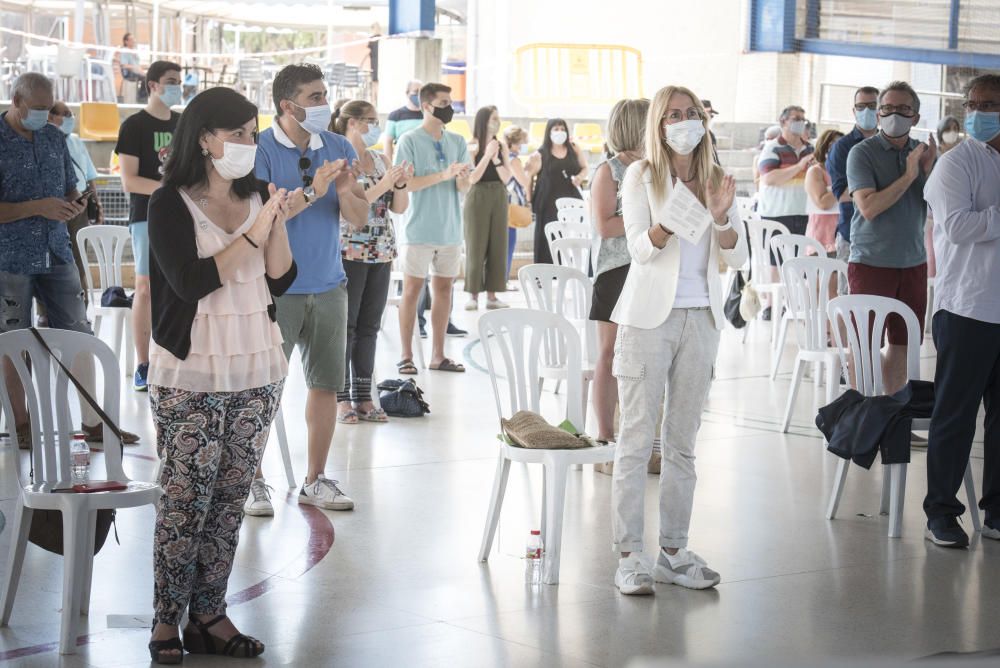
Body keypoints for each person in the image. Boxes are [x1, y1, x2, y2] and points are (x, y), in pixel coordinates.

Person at [144, 87, 296, 663]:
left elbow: (279, 277)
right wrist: (253, 234)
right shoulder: (169, 203)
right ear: (204, 138)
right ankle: (165, 618)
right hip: (191, 365)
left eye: (251, 134)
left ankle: (210, 613)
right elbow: (189, 282)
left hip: (258, 359)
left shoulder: (257, 195)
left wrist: (274, 223)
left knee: (231, 496)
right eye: (236, 133)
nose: (246, 144)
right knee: (186, 497)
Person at [611, 86, 747, 595]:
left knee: (683, 443)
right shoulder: (641, 175)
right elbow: (640, 251)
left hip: (703, 317)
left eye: (692, 114)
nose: (684, 122)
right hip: (649, 317)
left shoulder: (717, 178)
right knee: (636, 439)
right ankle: (629, 555)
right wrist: (670, 220)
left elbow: (735, 257)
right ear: (658, 123)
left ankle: (673, 550)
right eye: (674, 115)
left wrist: (718, 215)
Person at [247, 64, 369, 517]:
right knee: (262, 388)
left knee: (325, 386)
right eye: (315, 96)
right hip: (277, 288)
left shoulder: (336, 146)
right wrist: (314, 190)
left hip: (330, 284)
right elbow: (264, 219)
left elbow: (357, 217)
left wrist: (343, 186)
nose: (324, 104)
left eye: (324, 95)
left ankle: (315, 479)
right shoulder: (259, 148)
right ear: (288, 105)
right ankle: (252, 480)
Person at [0, 73, 141, 449]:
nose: (45, 116)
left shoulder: (54, 138)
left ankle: (94, 424)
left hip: (57, 251)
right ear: (16, 100)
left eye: (49, 109)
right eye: (38, 109)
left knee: (79, 333)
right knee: (14, 340)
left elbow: (68, 186)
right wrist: (37, 208)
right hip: (9, 257)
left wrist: (74, 203)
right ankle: (21, 425)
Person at [921, 74, 1000, 548]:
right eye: (972, 103)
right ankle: (941, 514)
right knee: (956, 414)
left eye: (989, 104)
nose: (978, 111)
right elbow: (956, 227)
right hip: (968, 307)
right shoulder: (956, 164)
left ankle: (995, 512)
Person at [847, 80, 936, 396]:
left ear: (915, 116)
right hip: (871, 262)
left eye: (903, 109)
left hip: (913, 262)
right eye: (886, 108)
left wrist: (930, 170)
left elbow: (936, 206)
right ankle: (864, 419)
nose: (893, 114)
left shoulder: (921, 153)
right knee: (865, 344)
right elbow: (868, 207)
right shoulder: (862, 153)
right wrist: (909, 175)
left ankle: (893, 417)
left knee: (903, 343)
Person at [329, 99, 412, 424]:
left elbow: (399, 207)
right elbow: (359, 199)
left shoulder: (380, 160)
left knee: (369, 327)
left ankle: (364, 396)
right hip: (349, 250)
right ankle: (342, 397)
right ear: (352, 123)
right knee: (346, 327)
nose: (374, 127)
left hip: (382, 250)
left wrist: (400, 183)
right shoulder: (339, 162)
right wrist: (386, 183)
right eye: (369, 121)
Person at [392, 82, 472, 375]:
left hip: (450, 230)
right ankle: (406, 354)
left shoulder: (458, 142)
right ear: (426, 106)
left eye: (450, 101)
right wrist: (443, 174)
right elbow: (405, 184)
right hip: (418, 229)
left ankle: (438, 355)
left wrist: (463, 177)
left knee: (444, 290)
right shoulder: (409, 141)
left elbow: (463, 186)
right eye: (443, 101)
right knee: (412, 291)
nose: (449, 106)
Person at [116, 59, 183, 391]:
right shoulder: (134, 126)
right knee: (145, 288)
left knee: (180, 287)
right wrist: (169, 191)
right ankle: (143, 362)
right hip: (147, 217)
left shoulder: (184, 124)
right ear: (153, 85)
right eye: (171, 81)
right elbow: (129, 181)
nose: (177, 87)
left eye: (180, 81)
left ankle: (172, 359)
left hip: (182, 218)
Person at [590, 98, 648, 445]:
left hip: (651, 268)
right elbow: (605, 226)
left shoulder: (659, 168)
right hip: (617, 269)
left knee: (644, 353)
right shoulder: (609, 170)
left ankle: (640, 432)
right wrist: (648, 218)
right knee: (610, 353)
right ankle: (605, 433)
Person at [48, 101, 104, 304]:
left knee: (79, 259)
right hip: (54, 208)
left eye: (71, 113)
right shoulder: (42, 141)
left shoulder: (75, 141)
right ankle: (47, 312)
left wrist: (96, 203)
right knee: (52, 261)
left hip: (79, 206)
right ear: (50, 117)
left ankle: (82, 306)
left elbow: (89, 175)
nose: (70, 118)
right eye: (64, 114)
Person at [826, 86, 880, 281]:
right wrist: (879, 186)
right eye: (861, 106)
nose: (866, 111)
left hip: (886, 238)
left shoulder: (890, 144)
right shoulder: (842, 148)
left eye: (872, 106)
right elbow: (840, 194)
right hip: (853, 236)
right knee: (847, 301)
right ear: (853, 111)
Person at [463, 105, 511, 311]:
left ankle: (492, 295)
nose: (497, 122)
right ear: (484, 121)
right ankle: (473, 295)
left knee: (498, 244)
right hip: (478, 195)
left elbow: (507, 177)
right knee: (476, 244)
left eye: (498, 118)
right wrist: (485, 155)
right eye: (493, 118)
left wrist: (496, 158)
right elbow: (472, 177)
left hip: (499, 195)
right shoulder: (471, 144)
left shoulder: (501, 145)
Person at [757, 105, 815, 265]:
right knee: (777, 266)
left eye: (803, 120)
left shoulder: (810, 148)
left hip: (804, 215)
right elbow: (769, 178)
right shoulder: (772, 148)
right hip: (776, 216)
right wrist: (798, 166)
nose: (801, 123)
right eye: (796, 119)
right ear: (783, 121)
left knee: (801, 267)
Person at [526, 118, 588, 264]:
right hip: (547, 201)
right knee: (545, 237)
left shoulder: (574, 148)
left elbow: (585, 168)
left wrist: (579, 177)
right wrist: (529, 200)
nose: (560, 132)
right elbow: (529, 177)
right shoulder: (540, 154)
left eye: (562, 129)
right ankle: (545, 271)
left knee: (569, 237)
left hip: (570, 200)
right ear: (549, 132)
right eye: (556, 129)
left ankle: (570, 269)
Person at [926, 115, 963, 280]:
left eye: (955, 129)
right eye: (948, 129)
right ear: (941, 132)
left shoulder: (961, 155)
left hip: (952, 212)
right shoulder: (933, 156)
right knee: (932, 260)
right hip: (931, 216)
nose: (952, 133)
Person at [804, 129, 844, 256]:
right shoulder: (816, 171)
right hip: (821, 238)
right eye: (832, 145)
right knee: (823, 275)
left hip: (844, 237)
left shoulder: (847, 172)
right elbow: (823, 203)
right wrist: (844, 183)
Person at [503, 125, 531, 281]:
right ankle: (503, 279)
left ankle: (503, 279)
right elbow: (524, 181)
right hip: (510, 205)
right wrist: (530, 169)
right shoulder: (514, 160)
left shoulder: (508, 158)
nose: (524, 144)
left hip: (507, 205)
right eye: (522, 141)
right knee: (508, 244)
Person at [380, 80, 423, 164]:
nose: (419, 95)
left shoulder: (429, 115)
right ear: (407, 93)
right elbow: (388, 142)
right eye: (416, 91)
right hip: (402, 161)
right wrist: (389, 165)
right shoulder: (395, 116)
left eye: (422, 92)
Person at [117, 32, 146, 100]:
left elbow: (138, 65)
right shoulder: (125, 51)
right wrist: (136, 68)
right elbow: (124, 65)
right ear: (126, 41)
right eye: (131, 39)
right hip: (128, 73)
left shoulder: (134, 51)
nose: (134, 41)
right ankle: (141, 97)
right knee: (146, 78)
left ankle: (142, 96)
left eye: (134, 39)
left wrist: (141, 71)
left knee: (150, 77)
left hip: (136, 71)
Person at [752, 125, 781, 191]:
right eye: (767, 139)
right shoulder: (759, 158)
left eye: (771, 139)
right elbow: (756, 181)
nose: (768, 141)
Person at [700, 98, 720, 164]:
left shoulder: (710, 134)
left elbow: (714, 158)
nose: (710, 117)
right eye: (708, 114)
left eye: (711, 115)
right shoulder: (694, 135)